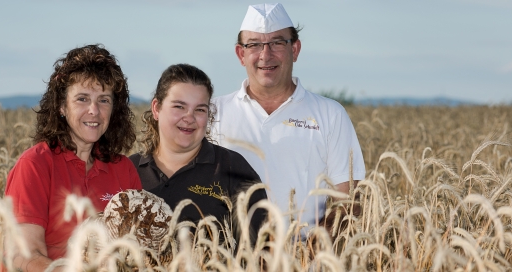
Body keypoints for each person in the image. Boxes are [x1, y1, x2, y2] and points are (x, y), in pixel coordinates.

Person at [211, 3, 366, 232]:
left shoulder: (330, 114)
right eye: (254, 44)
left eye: (277, 43)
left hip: (308, 263)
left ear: (295, 49)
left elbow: (350, 202)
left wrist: (306, 255)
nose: (266, 54)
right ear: (241, 54)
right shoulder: (212, 112)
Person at [4, 44, 142, 271]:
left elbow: (137, 252)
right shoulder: (36, 165)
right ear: (61, 106)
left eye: (104, 100)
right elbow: (24, 256)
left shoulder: (124, 170)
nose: (94, 110)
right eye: (82, 99)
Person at [129, 63, 268, 243]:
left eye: (200, 109)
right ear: (156, 108)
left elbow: (261, 253)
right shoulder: (128, 169)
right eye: (179, 107)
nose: (189, 117)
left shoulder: (233, 169)